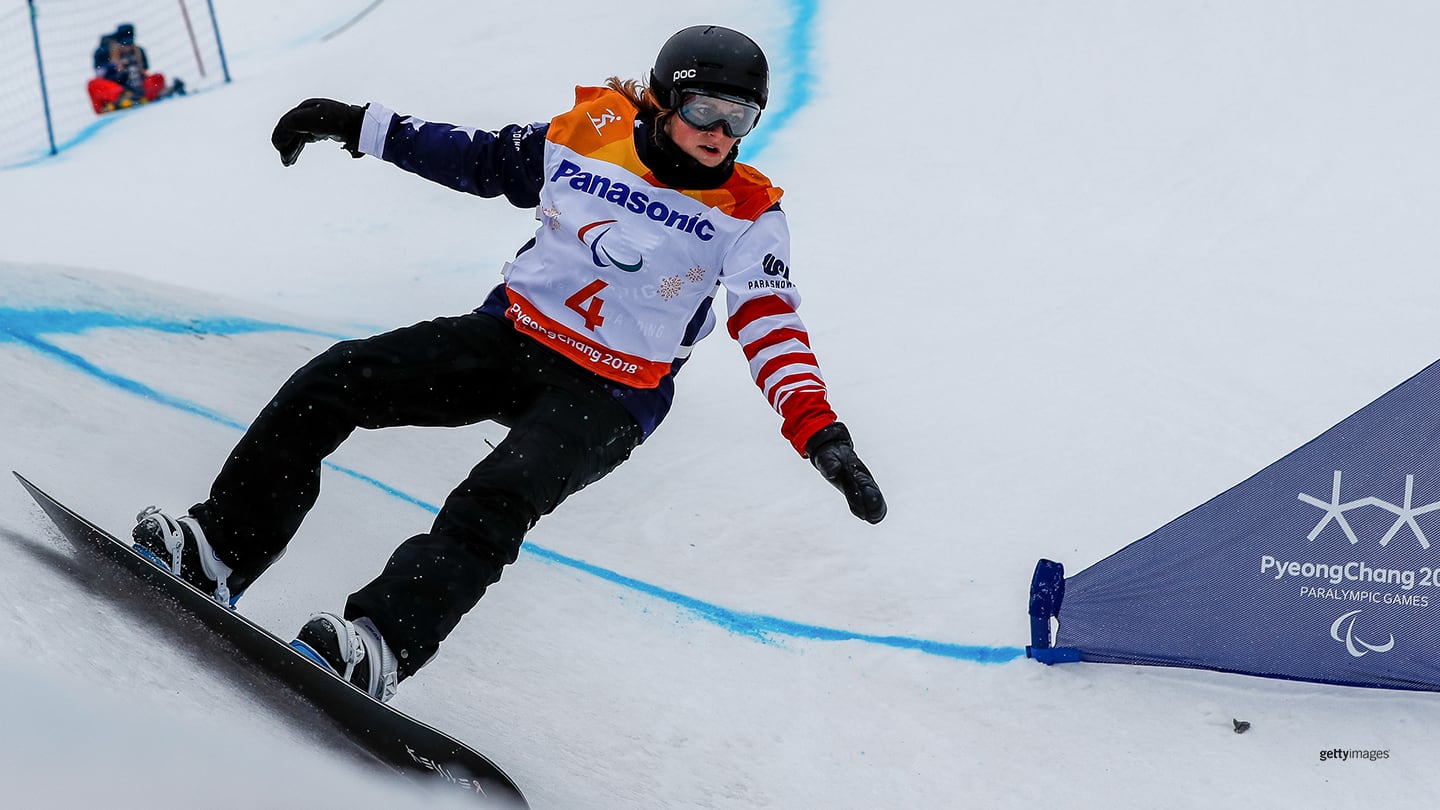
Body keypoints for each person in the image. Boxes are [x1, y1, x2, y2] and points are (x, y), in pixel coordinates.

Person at [132, 25, 886, 703]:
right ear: (662, 102)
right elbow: (482, 159)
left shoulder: (750, 212)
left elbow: (771, 326)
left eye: (742, 118)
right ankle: (218, 550)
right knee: (333, 381)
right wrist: (352, 123)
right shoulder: (591, 132)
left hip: (613, 394)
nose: (721, 134)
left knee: (498, 494)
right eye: (705, 112)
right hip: (512, 340)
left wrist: (823, 434)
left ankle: (382, 642)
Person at [87, 23, 184, 114]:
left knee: (158, 77)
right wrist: (114, 68)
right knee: (93, 84)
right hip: (115, 93)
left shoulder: (139, 51)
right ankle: (123, 99)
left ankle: (151, 95)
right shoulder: (105, 53)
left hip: (139, 90)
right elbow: (100, 75)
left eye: (129, 44)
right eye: (124, 44)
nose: (127, 47)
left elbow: (145, 72)